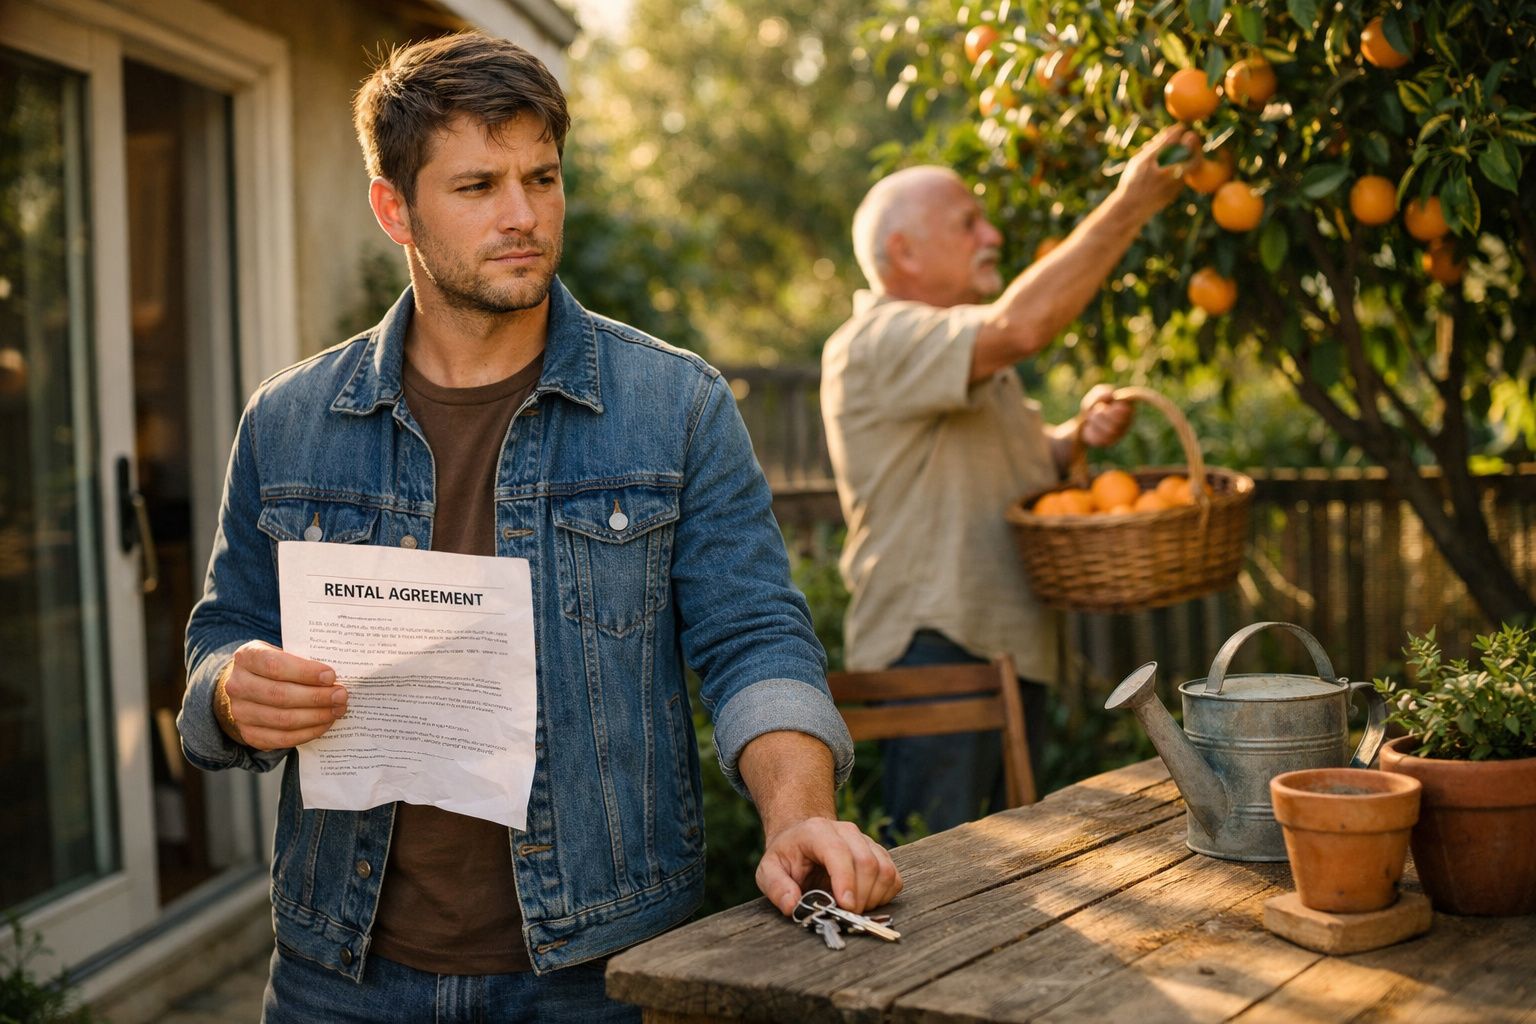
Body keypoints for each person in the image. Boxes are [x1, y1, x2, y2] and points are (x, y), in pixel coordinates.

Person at [179, 32, 899, 1023]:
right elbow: (221, 638)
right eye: (477, 186)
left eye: (542, 177)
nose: (523, 216)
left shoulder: (675, 405)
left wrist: (802, 817)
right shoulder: (289, 422)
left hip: (599, 969)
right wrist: (231, 691)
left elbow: (755, 643)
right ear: (396, 208)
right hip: (336, 972)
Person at [820, 126, 1196, 840]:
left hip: (998, 651)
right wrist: (1130, 203)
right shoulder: (876, 340)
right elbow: (1019, 328)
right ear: (904, 251)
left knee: (1004, 881)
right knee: (941, 885)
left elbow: (1018, 461)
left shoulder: (968, 367)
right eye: (969, 222)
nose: (991, 233)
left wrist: (1070, 440)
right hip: (940, 653)